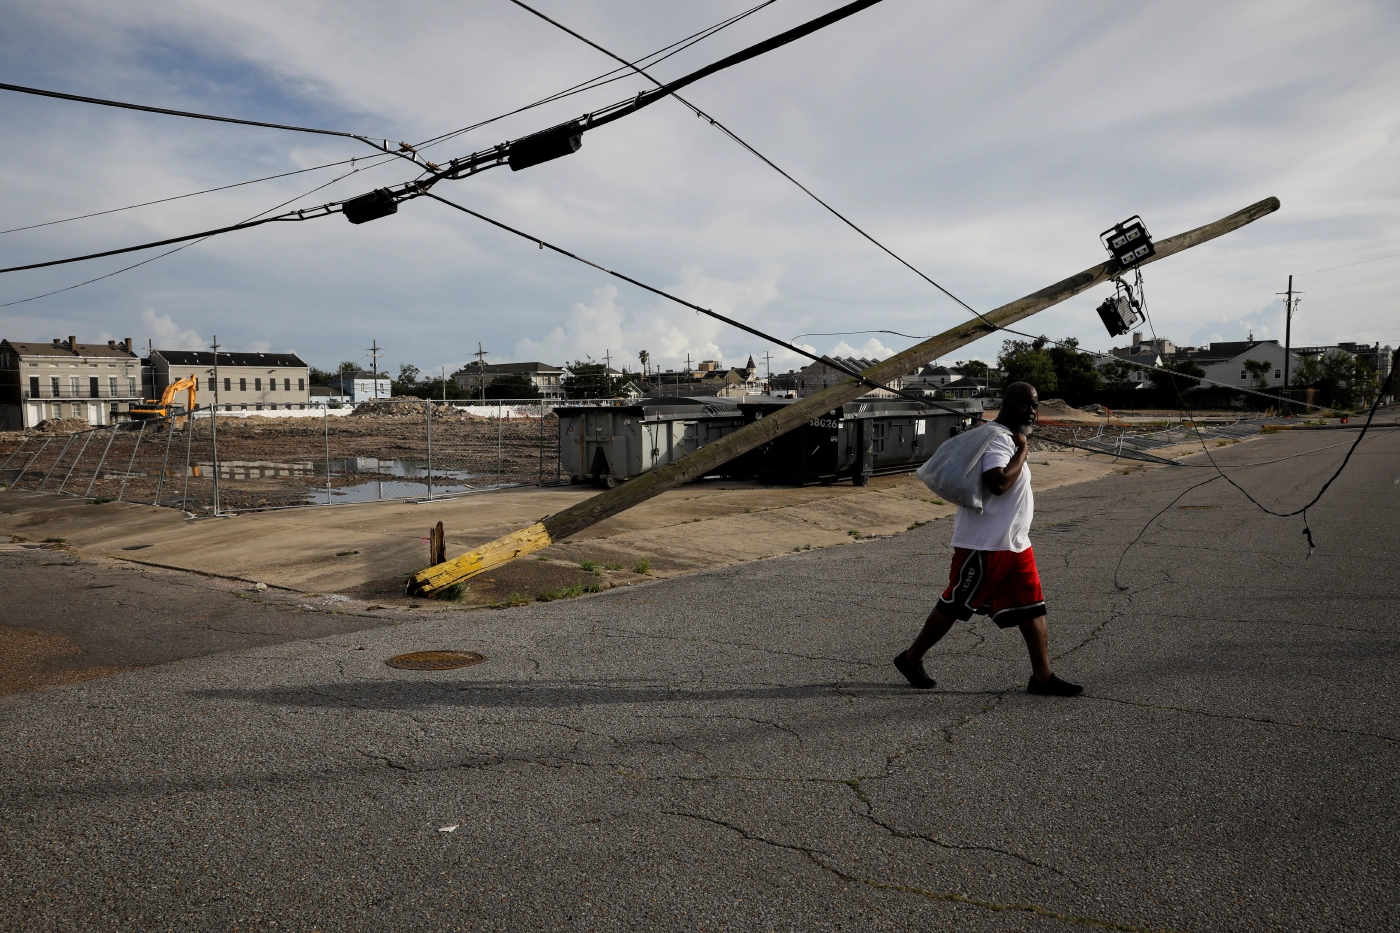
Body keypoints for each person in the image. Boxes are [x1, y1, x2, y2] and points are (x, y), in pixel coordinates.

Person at [894, 382, 1082, 696]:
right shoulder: (999, 441)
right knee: (955, 603)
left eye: (1035, 405)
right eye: (1025, 405)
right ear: (1008, 403)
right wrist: (1022, 450)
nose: (1031, 412)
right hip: (985, 544)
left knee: (1032, 607)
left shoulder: (1008, 438)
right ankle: (911, 658)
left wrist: (1020, 445)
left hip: (1014, 543)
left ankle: (1042, 677)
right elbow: (998, 483)